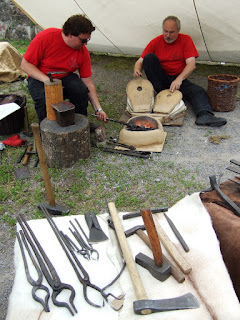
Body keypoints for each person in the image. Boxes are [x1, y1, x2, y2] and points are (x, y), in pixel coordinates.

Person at [134, 16, 227, 127]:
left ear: (178, 31)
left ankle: (204, 115)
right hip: (161, 79)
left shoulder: (186, 40)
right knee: (149, 58)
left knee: (198, 91)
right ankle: (161, 94)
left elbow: (191, 65)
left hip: (178, 79)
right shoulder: (156, 41)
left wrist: (179, 79)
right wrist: (137, 70)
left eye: (171, 32)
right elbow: (140, 61)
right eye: (165, 31)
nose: (168, 35)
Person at [21, 14, 108, 126]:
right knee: (44, 100)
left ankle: (79, 125)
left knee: (81, 91)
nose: (86, 43)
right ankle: (48, 131)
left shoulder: (82, 51)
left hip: (65, 77)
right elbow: (25, 65)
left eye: (88, 39)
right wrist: (49, 81)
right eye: (83, 40)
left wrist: (98, 109)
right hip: (39, 77)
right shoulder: (46, 37)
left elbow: (88, 82)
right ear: (70, 35)